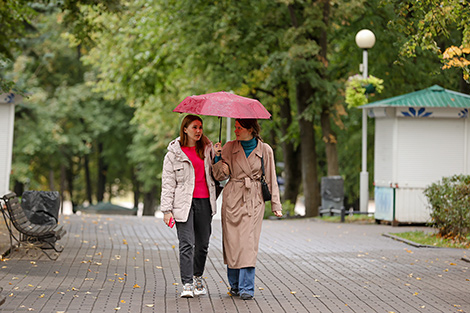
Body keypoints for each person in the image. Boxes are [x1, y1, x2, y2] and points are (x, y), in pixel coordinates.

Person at [212, 118, 282, 300]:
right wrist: (218, 157)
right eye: (235, 127)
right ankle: (234, 285)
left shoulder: (265, 149)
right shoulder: (228, 147)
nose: (236, 130)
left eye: (239, 127)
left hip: (254, 199)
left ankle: (246, 288)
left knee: (248, 244)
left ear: (250, 129)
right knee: (233, 243)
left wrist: (276, 204)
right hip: (233, 197)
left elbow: (272, 177)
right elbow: (221, 176)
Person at [160, 114, 218, 298]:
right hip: (183, 204)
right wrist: (166, 210)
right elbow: (168, 184)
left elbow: (220, 176)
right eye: (194, 127)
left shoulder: (208, 150)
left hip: (205, 202)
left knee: (202, 245)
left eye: (200, 127)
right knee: (187, 244)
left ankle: (197, 276)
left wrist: (219, 157)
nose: (198, 131)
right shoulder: (173, 154)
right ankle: (187, 284)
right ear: (185, 129)